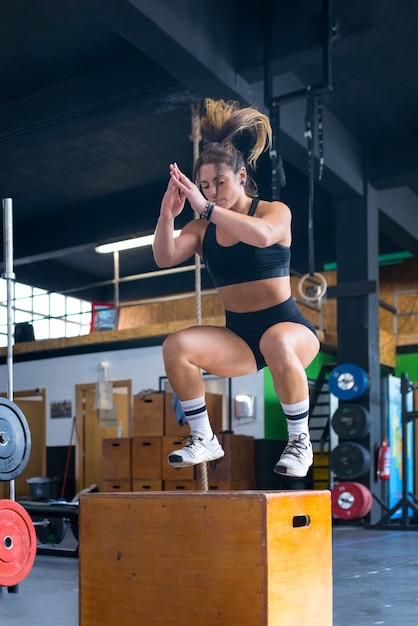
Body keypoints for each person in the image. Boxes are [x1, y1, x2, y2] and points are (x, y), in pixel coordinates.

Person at [152, 98, 320, 478]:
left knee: (276, 341)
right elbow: (164, 257)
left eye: (219, 183)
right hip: (240, 338)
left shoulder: (272, 211)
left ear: (241, 177)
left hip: (290, 330)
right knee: (176, 346)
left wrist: (207, 208)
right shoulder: (200, 229)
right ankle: (203, 438)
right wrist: (167, 214)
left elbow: (262, 238)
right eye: (205, 186)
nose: (211, 192)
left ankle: (300, 441)